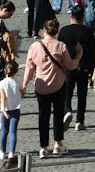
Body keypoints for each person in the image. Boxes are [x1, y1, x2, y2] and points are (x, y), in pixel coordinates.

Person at [22, 18, 81, 159]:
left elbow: (29, 69)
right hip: (58, 85)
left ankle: (43, 147)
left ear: (44, 30)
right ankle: (58, 143)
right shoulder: (61, 46)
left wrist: (24, 85)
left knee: (43, 116)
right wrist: (79, 54)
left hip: (41, 86)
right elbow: (71, 66)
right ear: (56, 31)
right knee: (58, 114)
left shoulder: (35, 46)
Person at [59, 4, 95, 131]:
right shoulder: (88, 31)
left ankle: (67, 110)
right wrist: (91, 68)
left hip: (67, 67)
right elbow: (92, 52)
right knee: (82, 94)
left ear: (71, 16)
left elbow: (59, 50)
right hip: (83, 67)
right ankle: (80, 120)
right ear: (82, 17)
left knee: (67, 92)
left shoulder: (64, 31)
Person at [0, 60, 22, 159]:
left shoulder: (2, 83)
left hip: (5, 110)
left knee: (4, 132)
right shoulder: (17, 81)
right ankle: (11, 152)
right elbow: (22, 92)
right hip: (15, 110)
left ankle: (2, 151)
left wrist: (3, 111)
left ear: (5, 70)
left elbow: (2, 98)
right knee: (13, 132)